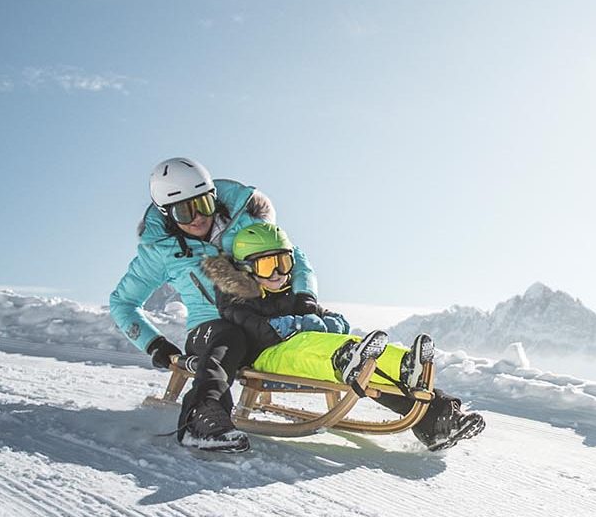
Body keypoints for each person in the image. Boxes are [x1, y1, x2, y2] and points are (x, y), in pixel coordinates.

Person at [203, 222, 486, 452]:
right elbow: (265, 330)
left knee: (366, 357)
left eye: (284, 263)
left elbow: (336, 321)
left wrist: (322, 321)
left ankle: (434, 411)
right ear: (246, 269)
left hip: (315, 351)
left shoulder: (290, 296)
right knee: (317, 347)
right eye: (267, 266)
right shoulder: (236, 299)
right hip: (269, 356)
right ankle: (346, 360)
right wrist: (305, 324)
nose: (278, 273)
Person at [109, 157, 319, 449]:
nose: (197, 217)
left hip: (262, 319)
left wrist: (304, 298)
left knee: (323, 332)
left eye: (203, 205)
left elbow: (296, 259)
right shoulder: (161, 251)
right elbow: (123, 301)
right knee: (227, 335)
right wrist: (155, 345)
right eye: (184, 211)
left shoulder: (246, 220)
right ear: (167, 214)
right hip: (210, 331)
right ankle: (202, 417)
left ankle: (400, 399)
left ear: (214, 199)